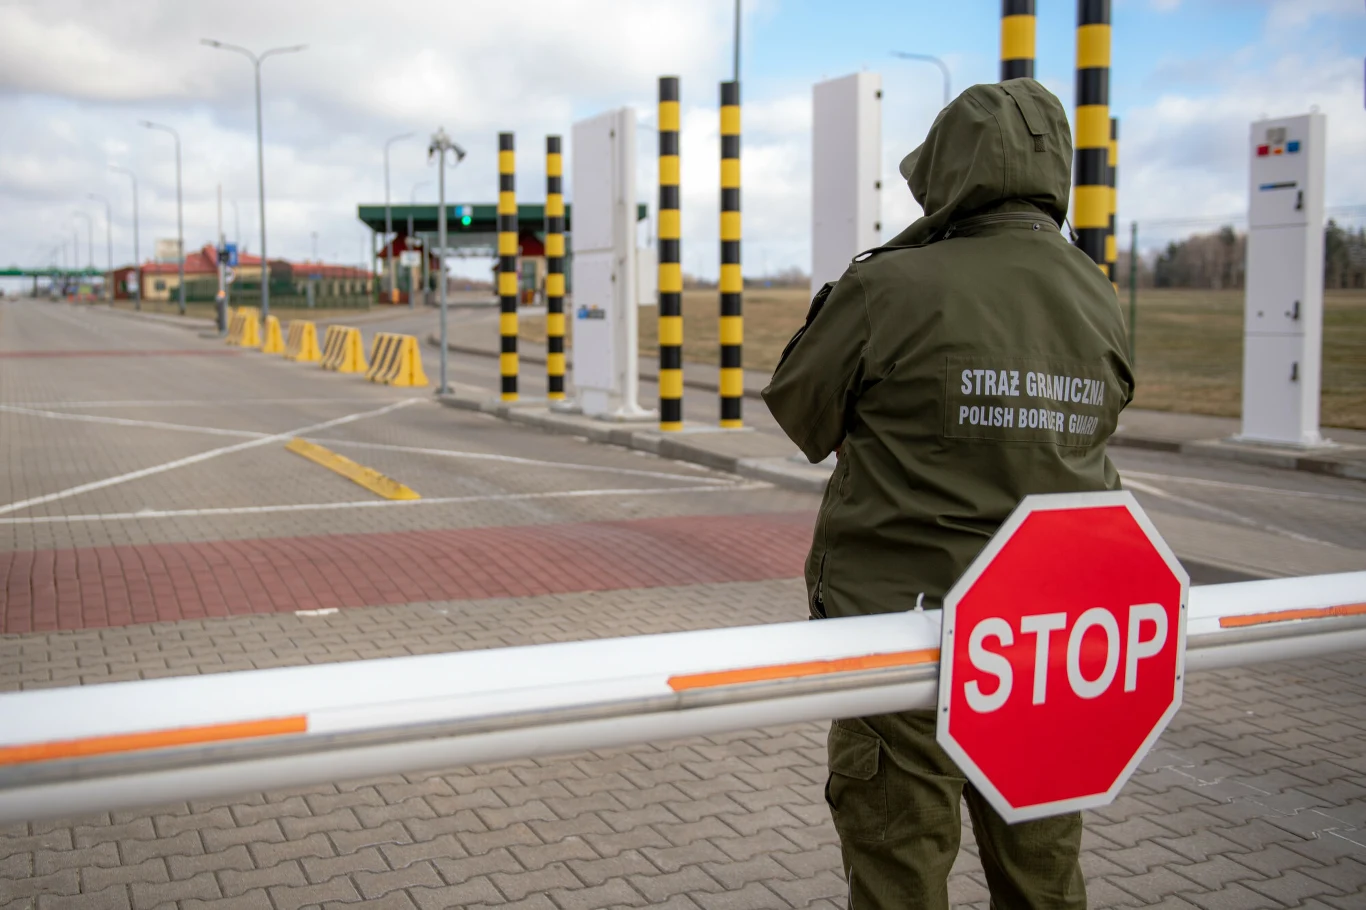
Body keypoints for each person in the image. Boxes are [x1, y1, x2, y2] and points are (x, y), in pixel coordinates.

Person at [762, 78, 1133, 910]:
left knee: (901, 875)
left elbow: (800, 410)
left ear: (946, 174)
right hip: (1043, 648)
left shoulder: (889, 287)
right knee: (1043, 880)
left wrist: (899, 258)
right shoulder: (1100, 296)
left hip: (906, 638)